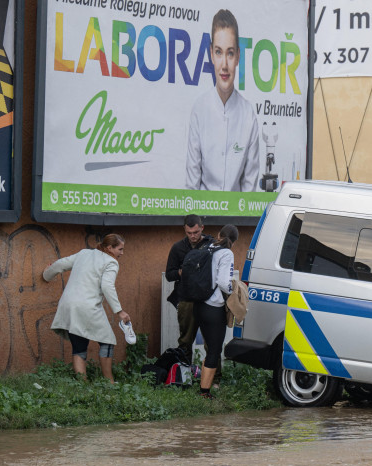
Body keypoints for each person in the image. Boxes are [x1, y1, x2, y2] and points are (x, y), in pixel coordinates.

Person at [186, 9, 259, 192]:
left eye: (230, 53)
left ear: (238, 57)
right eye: (219, 52)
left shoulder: (248, 115)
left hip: (236, 220)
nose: (224, 65)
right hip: (202, 216)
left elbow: (249, 189)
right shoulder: (199, 110)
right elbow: (191, 184)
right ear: (211, 54)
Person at [42, 234, 131, 383]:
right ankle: (109, 382)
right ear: (109, 248)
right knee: (107, 341)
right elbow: (107, 286)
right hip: (87, 306)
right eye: (120, 249)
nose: (122, 253)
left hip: (68, 305)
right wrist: (119, 311)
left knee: (79, 346)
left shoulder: (84, 253)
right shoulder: (111, 262)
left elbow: (60, 264)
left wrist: (46, 275)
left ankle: (82, 385)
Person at [194, 224, 239, 398]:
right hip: (214, 307)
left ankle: (203, 386)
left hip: (199, 304)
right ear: (233, 242)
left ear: (219, 234)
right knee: (214, 350)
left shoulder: (208, 247)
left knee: (210, 348)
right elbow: (222, 282)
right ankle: (204, 392)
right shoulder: (227, 253)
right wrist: (232, 290)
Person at [165, 214, 214, 356]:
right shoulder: (178, 247)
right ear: (184, 230)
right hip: (186, 299)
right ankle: (185, 375)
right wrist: (181, 272)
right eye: (189, 233)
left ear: (202, 228)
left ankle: (213, 378)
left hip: (207, 299)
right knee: (185, 342)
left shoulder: (211, 245)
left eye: (196, 232)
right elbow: (169, 275)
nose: (193, 236)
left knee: (211, 342)